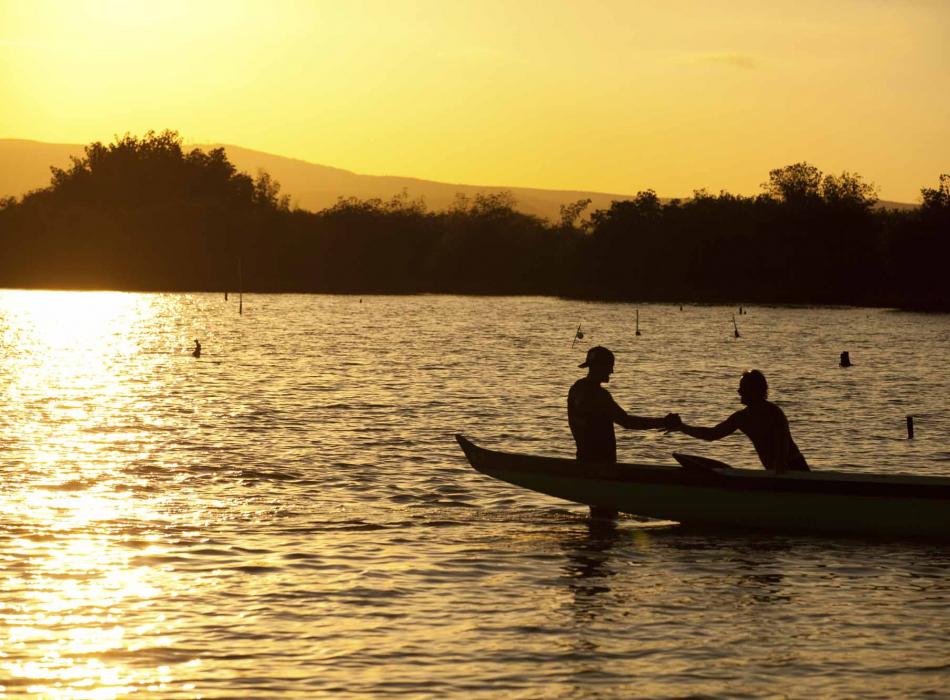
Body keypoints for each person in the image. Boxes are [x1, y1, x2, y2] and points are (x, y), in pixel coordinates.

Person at [568, 346, 678, 518]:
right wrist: (663, 422)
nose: (612, 371)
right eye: (610, 366)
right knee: (607, 515)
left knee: (598, 512)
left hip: (583, 457)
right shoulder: (599, 395)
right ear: (601, 367)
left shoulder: (575, 389)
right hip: (602, 462)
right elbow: (627, 422)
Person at [667, 369, 809, 472]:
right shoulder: (741, 418)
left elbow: (782, 443)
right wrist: (682, 427)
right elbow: (712, 434)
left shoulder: (774, 413)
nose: (739, 392)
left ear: (755, 391)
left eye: (743, 388)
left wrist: (780, 463)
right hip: (773, 472)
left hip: (794, 468)